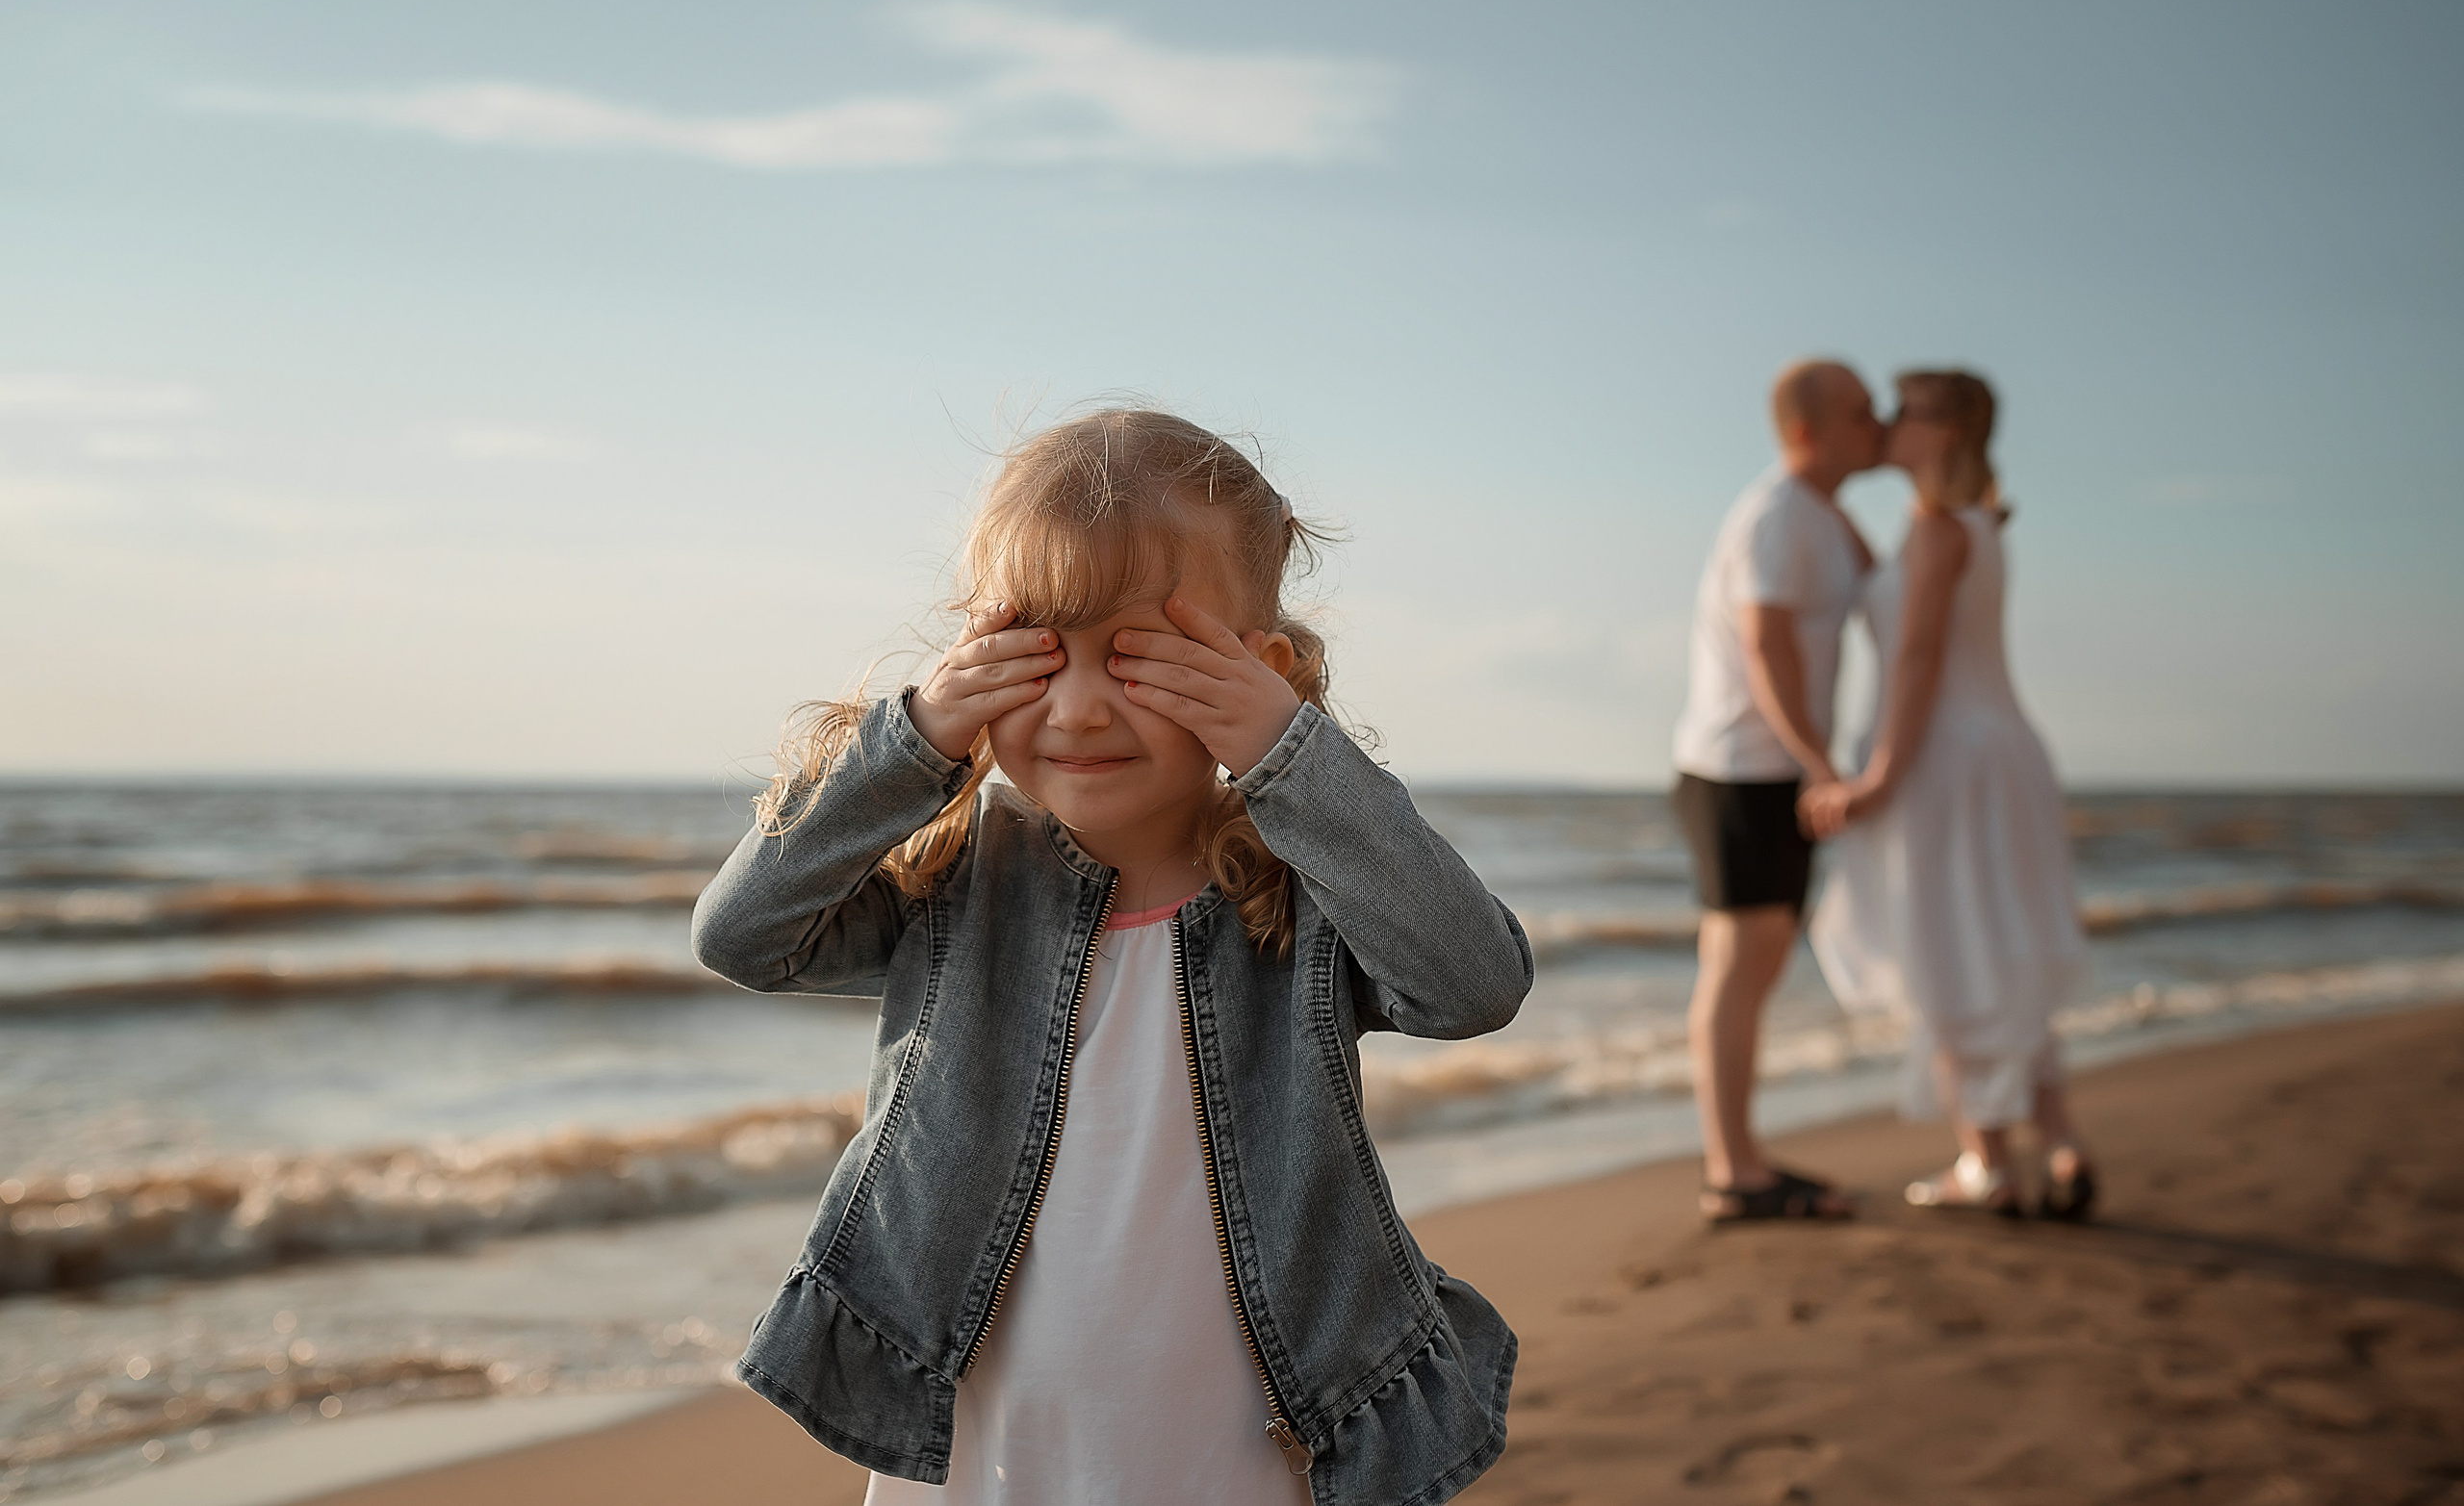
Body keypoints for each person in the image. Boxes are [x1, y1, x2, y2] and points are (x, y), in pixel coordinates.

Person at [692, 406, 1531, 1506]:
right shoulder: (956, 885)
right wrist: (912, 742)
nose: (1079, 709)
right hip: (993, 1449)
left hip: (1236, 1450)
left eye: (1139, 657)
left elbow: (1475, 983)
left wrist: (1291, 757)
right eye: (1032, 655)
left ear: (1259, 670)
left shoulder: (1301, 894)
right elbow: (743, 937)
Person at [1801, 370, 2097, 1220]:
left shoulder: (1936, 531)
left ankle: (1990, 1161)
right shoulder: (1974, 526)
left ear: (1950, 430)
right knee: (2000, 945)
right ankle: (2063, 1145)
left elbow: (1921, 658)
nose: (1889, 424)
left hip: (1945, 762)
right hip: (2001, 754)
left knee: (1945, 947)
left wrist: (1881, 773)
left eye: (1907, 412)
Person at [1668, 359, 1883, 1222]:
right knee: (1739, 963)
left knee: (1754, 963)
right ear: (1805, 430)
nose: (1878, 424)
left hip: (1772, 770)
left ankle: (1740, 1158)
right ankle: (1733, 1170)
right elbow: (1767, 647)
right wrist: (1821, 760)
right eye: (1862, 414)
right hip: (1738, 769)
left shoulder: (1827, 516)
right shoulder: (1776, 515)